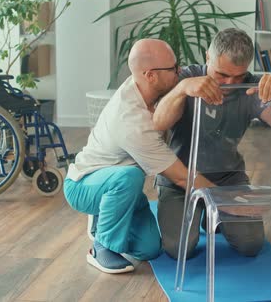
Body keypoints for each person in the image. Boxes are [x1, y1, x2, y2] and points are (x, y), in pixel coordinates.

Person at [64, 39, 214, 274]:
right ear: (151, 75)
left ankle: (104, 217)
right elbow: (182, 178)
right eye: (174, 69)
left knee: (150, 249)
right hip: (84, 184)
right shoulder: (132, 121)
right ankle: (101, 246)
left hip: (120, 186)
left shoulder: (142, 86)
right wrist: (227, 202)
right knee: (129, 176)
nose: (181, 72)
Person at [153, 28, 271, 259]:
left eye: (238, 76)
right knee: (180, 249)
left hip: (228, 178)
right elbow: (158, 123)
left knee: (251, 245)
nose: (229, 83)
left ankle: (212, 215)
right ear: (208, 57)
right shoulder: (185, 77)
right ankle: (206, 213)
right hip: (181, 179)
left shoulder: (253, 86)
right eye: (221, 74)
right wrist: (181, 90)